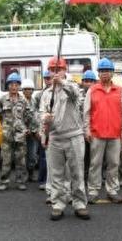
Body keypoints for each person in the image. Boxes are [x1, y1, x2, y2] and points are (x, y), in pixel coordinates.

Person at [40, 56, 89, 221]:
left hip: (74, 136)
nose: (55, 73)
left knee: (77, 172)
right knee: (56, 174)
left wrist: (62, 83)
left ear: (64, 70)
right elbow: (41, 113)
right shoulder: (46, 93)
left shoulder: (73, 86)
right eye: (52, 70)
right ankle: (58, 204)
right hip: (55, 138)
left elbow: (76, 95)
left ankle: (80, 204)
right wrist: (44, 119)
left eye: (58, 70)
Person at [84, 58, 122, 204]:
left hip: (115, 133)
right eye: (102, 71)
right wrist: (87, 130)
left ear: (112, 73)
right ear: (98, 73)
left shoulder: (119, 90)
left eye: (107, 71)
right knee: (95, 163)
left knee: (114, 163)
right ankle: (93, 190)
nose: (104, 74)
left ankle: (112, 190)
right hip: (97, 133)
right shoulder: (92, 90)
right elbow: (86, 112)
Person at [0, 73, 38, 191]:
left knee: (21, 160)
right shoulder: (3, 100)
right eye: (11, 84)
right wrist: (6, 126)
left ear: (19, 86)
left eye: (16, 84)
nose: (13, 87)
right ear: (8, 86)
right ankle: (4, 182)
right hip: (7, 135)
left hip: (20, 135)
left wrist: (26, 128)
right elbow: (0, 115)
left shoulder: (24, 100)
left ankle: (20, 181)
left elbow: (29, 116)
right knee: (6, 159)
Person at [34, 70, 52, 191]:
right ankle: (43, 180)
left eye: (49, 78)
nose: (48, 80)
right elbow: (36, 114)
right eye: (46, 78)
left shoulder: (60, 92)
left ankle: (53, 183)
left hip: (56, 130)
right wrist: (39, 131)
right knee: (44, 157)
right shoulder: (39, 95)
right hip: (44, 129)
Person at [21, 78, 40, 183]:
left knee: (32, 155)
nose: (28, 91)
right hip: (22, 133)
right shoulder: (19, 101)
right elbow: (17, 118)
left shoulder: (34, 101)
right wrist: (24, 129)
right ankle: (22, 176)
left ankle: (31, 173)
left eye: (30, 89)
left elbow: (36, 117)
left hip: (33, 133)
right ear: (23, 90)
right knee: (21, 155)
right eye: (26, 89)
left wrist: (36, 130)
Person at [80, 70, 97, 184]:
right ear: (82, 82)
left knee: (95, 156)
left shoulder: (98, 93)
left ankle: (94, 178)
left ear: (94, 82)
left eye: (90, 81)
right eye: (86, 81)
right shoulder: (77, 94)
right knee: (82, 156)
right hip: (80, 131)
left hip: (95, 130)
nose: (88, 83)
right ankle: (83, 177)